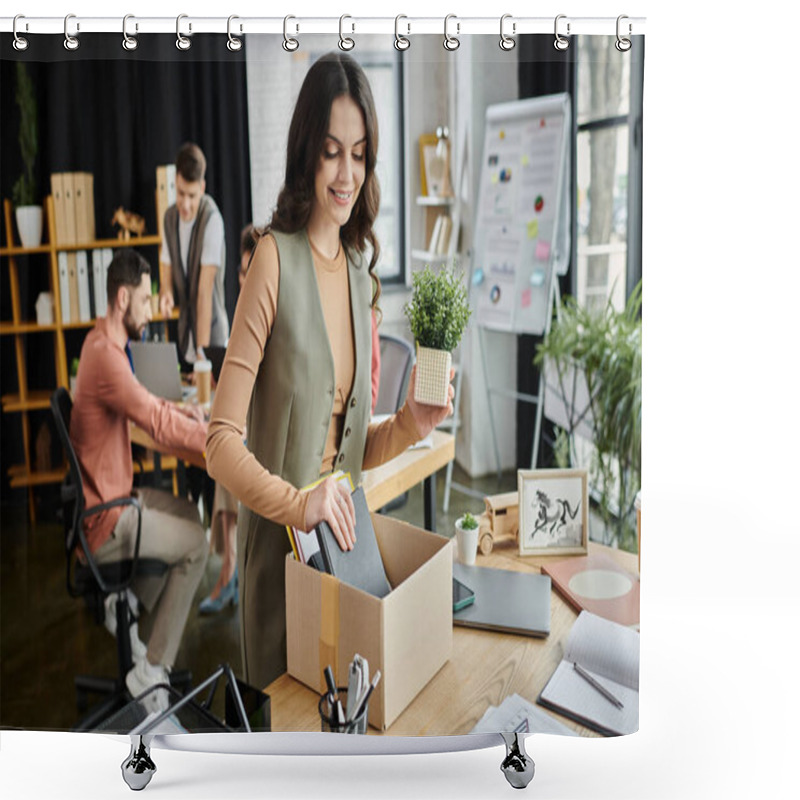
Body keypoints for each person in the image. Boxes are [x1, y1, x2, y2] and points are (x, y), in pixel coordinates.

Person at [205, 52, 453, 690]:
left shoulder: (358, 276)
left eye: (361, 154)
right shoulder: (271, 261)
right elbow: (219, 443)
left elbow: (349, 455)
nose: (347, 173)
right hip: (281, 559)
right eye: (333, 151)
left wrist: (410, 424)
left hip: (346, 552)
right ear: (307, 153)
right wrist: (299, 503)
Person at [70, 249, 208, 701]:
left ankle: (125, 603)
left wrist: (186, 410)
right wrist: (213, 442)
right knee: (197, 546)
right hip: (108, 523)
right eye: (145, 302)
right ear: (123, 298)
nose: (151, 310)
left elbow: (147, 402)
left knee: (189, 512)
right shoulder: (107, 359)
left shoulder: (100, 345)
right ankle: (150, 672)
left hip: (110, 502)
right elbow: (154, 422)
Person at [197, 223, 258, 614]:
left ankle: (230, 571)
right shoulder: (239, 317)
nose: (245, 279)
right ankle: (232, 571)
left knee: (225, 458)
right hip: (247, 420)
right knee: (220, 450)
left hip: (266, 428)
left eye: (253, 271)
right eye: (242, 271)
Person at [159, 142, 229, 370]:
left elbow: (204, 292)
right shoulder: (169, 218)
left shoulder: (212, 220)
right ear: (175, 181)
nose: (185, 204)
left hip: (212, 342)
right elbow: (166, 267)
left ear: (202, 187)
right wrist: (166, 294)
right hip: (185, 337)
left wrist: (202, 355)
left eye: (191, 195)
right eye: (180, 193)